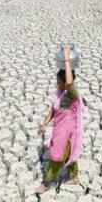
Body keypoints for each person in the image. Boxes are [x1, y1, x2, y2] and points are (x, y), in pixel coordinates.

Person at [35, 45, 86, 194]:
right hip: (60, 131)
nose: (56, 83)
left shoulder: (72, 94)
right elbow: (53, 109)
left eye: (58, 81)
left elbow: (70, 82)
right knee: (69, 155)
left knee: (56, 158)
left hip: (68, 133)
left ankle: (47, 183)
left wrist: (67, 60)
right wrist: (45, 123)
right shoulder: (59, 94)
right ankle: (74, 176)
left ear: (64, 83)